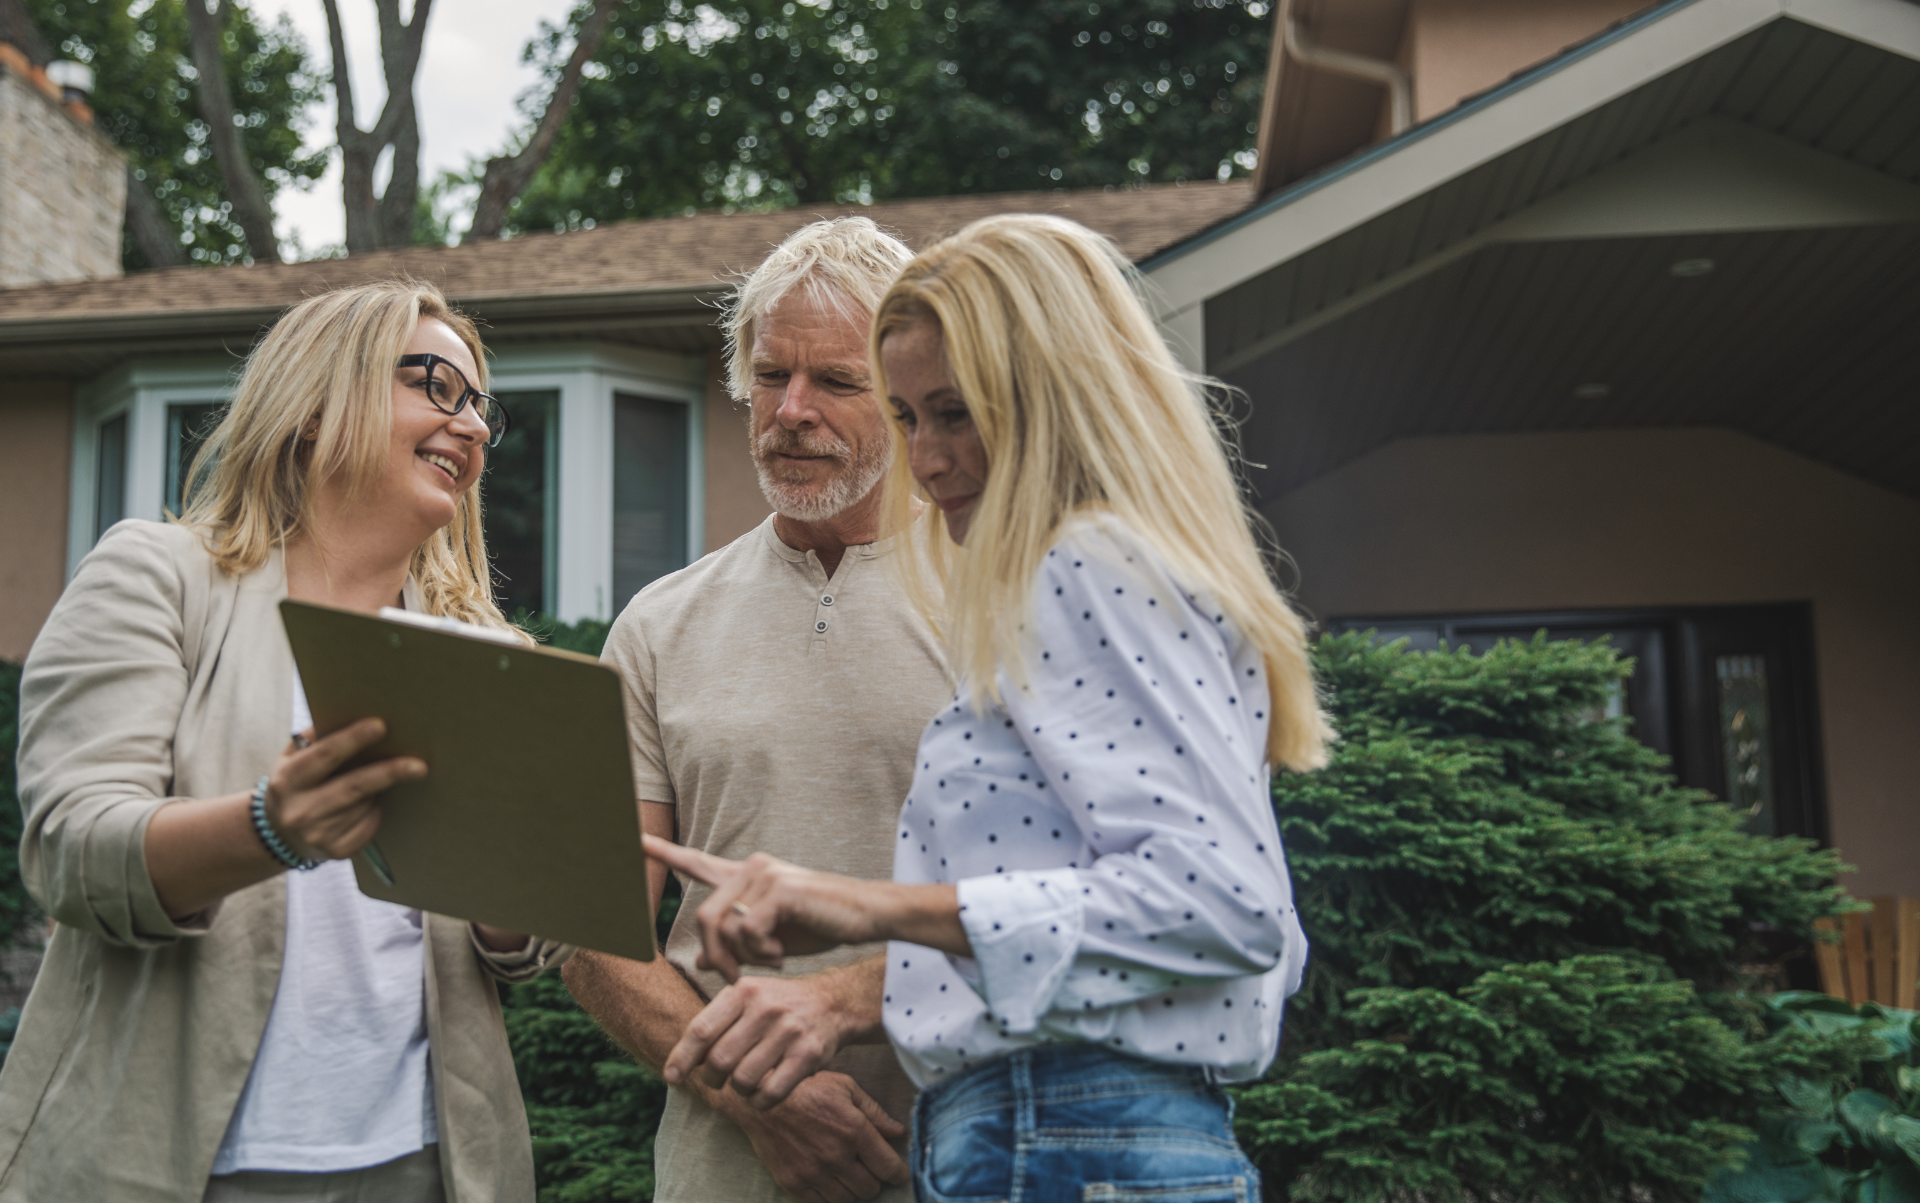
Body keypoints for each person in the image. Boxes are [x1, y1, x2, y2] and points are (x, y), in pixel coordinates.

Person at [647, 212, 1331, 1200]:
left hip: (1064, 1132)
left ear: (1054, 393)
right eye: (910, 414)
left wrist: (857, 904)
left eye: (955, 411)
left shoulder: (1087, 564)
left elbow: (1225, 903)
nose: (926, 458)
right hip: (1082, 1130)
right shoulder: (1102, 570)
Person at [4, 281, 569, 1202]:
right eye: (433, 383)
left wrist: (519, 885)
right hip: (177, 1163)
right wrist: (274, 828)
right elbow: (72, 853)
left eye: (477, 405)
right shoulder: (159, 577)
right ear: (312, 407)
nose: (467, 425)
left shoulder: (487, 656)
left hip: (428, 1165)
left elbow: (521, 946)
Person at [564, 217, 949, 1203]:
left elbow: (1066, 902)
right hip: (722, 1168)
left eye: (837, 381)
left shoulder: (1006, 596)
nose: (792, 411)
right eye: (771, 375)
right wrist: (763, 1096)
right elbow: (594, 929)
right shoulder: (657, 625)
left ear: (906, 396)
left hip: (965, 1149)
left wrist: (846, 1002)